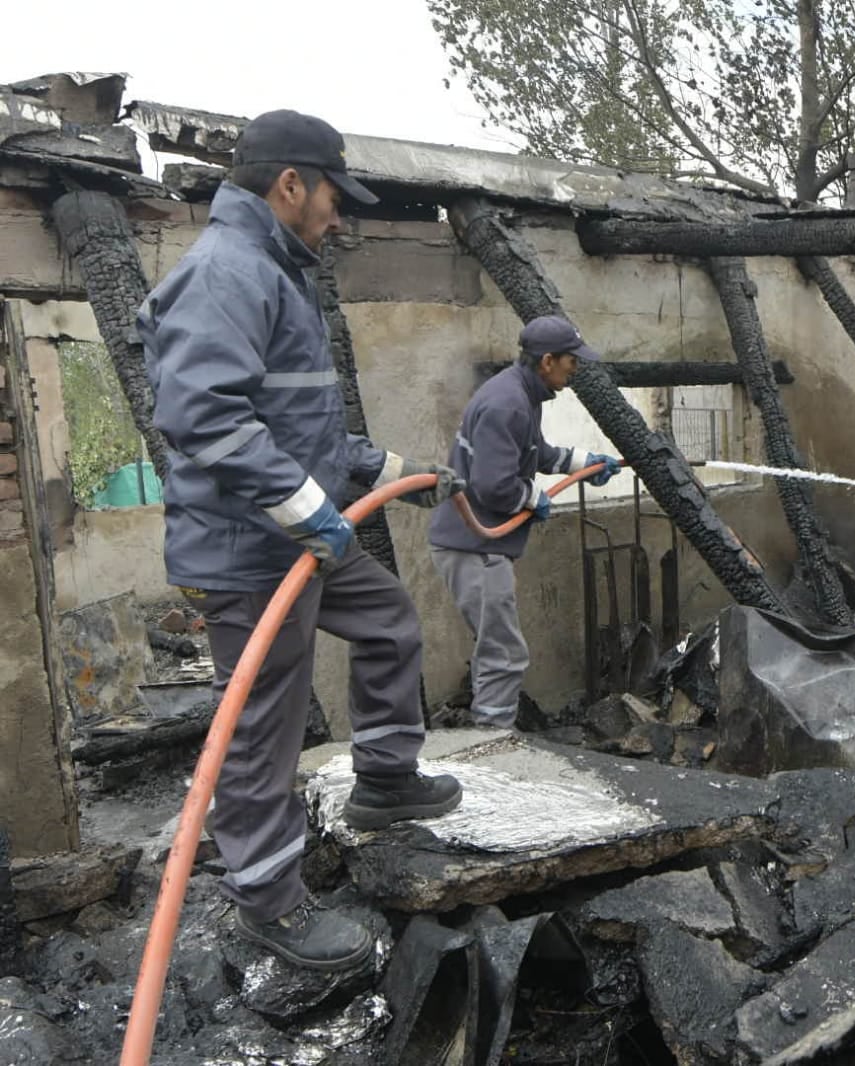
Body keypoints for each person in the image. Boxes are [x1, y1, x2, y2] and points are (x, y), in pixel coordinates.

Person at [138, 109, 464, 973]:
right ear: (289, 184)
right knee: (262, 730)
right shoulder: (228, 271)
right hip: (250, 556)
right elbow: (202, 413)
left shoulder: (275, 272)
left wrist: (404, 469)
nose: (338, 215)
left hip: (298, 540)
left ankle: (386, 781)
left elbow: (303, 427)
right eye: (330, 196)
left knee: (389, 621)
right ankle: (270, 904)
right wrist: (303, 507)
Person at [428, 316, 621, 727]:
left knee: (496, 646)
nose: (576, 369)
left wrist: (584, 461)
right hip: (474, 546)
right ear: (547, 361)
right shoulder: (508, 403)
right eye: (572, 361)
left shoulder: (521, 394)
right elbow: (494, 487)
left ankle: (488, 731)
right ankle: (491, 740)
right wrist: (534, 497)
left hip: (475, 545)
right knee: (504, 652)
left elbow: (536, 452)